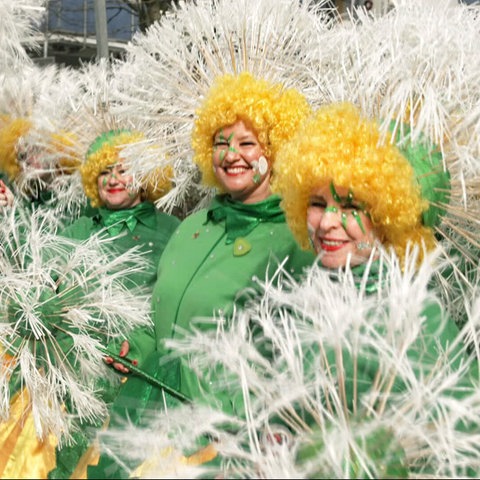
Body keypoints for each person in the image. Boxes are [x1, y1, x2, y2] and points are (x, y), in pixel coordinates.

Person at [88, 71, 316, 479]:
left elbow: (298, 358)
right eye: (220, 143)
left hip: (218, 438)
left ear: (277, 150)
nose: (232, 155)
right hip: (145, 410)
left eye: (248, 143)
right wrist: (136, 346)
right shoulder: (193, 228)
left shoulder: (295, 240)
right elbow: (160, 307)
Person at [45, 129, 181, 479]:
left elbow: (174, 301)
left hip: (138, 379)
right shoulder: (77, 230)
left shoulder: (172, 230)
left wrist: (141, 342)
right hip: (70, 373)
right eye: (104, 172)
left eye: (123, 169)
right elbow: (40, 285)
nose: (113, 179)